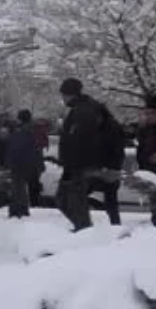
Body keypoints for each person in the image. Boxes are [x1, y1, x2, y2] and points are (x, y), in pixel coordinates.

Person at [56, 78, 105, 231]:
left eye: (64, 95)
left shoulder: (83, 111)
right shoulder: (81, 108)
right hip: (77, 164)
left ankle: (84, 229)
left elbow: (78, 140)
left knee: (71, 200)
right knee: (70, 200)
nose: (63, 99)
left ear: (70, 94)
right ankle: (82, 228)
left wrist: (71, 164)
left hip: (80, 164)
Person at [90, 104, 126, 225]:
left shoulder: (111, 128)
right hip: (102, 168)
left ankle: (115, 224)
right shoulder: (101, 127)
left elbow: (117, 151)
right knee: (111, 200)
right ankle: (115, 224)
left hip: (109, 169)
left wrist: (111, 168)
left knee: (110, 200)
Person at [6, 109, 40, 218]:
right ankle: (22, 208)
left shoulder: (20, 131)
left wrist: (10, 161)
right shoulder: (30, 130)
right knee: (21, 187)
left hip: (18, 163)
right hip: (25, 164)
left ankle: (17, 210)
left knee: (17, 188)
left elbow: (15, 148)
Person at [136, 96, 156, 173]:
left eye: (153, 113)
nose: (150, 116)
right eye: (147, 113)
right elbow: (140, 150)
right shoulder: (144, 129)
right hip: (147, 170)